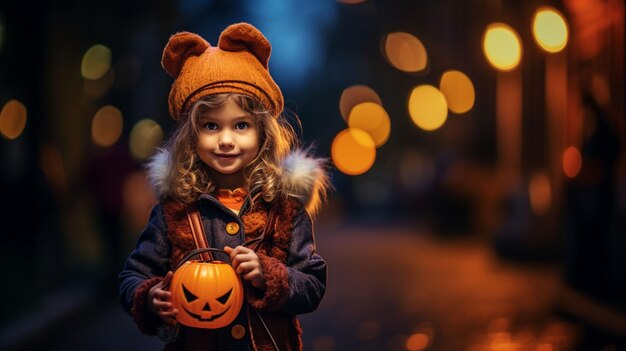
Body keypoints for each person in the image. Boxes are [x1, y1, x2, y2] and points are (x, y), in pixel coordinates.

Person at [119, 22, 330, 351]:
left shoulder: (285, 209)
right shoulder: (175, 212)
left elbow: (313, 284)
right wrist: (149, 297)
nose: (226, 140)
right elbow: (133, 274)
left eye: (241, 125)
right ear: (192, 135)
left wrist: (269, 275)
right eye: (211, 126)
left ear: (262, 133)